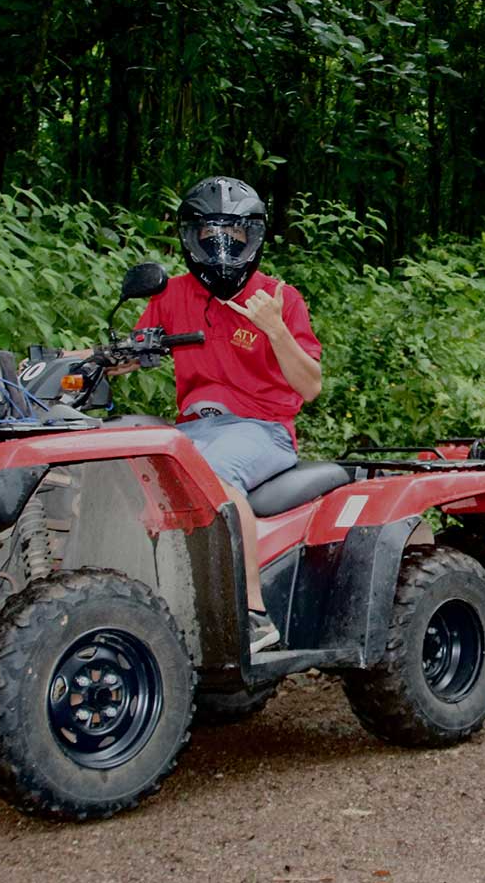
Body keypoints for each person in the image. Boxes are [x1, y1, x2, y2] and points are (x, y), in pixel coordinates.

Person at [132, 176, 323, 654]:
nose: (222, 245)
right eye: (209, 233)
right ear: (190, 237)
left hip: (262, 429)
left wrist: (275, 329)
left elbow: (311, 386)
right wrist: (79, 362)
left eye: (234, 233)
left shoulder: (279, 297)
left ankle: (253, 613)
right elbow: (128, 354)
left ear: (252, 237)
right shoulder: (171, 295)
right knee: (127, 462)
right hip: (194, 427)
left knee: (208, 474)